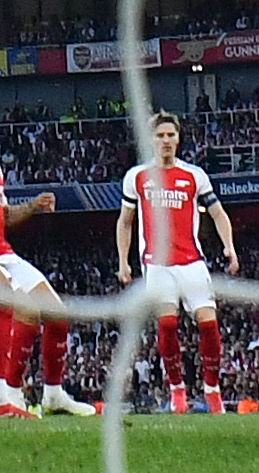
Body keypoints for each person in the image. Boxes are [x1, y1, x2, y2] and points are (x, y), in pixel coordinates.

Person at [116, 111, 239, 415]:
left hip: (192, 261)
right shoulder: (137, 177)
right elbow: (125, 223)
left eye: (171, 135)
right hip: (157, 264)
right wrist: (123, 261)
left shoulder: (194, 175)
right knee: (167, 324)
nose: (166, 140)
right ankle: (177, 389)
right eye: (160, 136)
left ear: (178, 139)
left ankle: (212, 389)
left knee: (209, 325)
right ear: (151, 140)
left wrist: (230, 247)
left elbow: (219, 213)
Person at [0, 165, 96, 418]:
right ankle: (9, 396)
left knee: (56, 314)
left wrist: (33, 205)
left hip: (5, 254)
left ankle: (54, 394)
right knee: (24, 309)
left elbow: (5, 217)